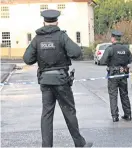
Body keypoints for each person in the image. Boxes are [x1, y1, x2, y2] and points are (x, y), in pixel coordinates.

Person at [23, 9, 93, 147]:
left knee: (47, 114)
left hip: (45, 81)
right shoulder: (62, 36)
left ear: (43, 22)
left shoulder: (37, 39)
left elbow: (27, 59)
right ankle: (80, 144)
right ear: (57, 22)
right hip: (61, 80)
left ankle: (46, 146)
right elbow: (76, 52)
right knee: (69, 111)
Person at [100, 30, 132, 122]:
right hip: (123, 74)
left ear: (113, 38)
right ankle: (128, 114)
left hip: (113, 74)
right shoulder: (126, 49)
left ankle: (115, 116)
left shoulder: (110, 48)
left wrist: (109, 63)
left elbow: (102, 61)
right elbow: (130, 60)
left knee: (113, 95)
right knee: (124, 94)